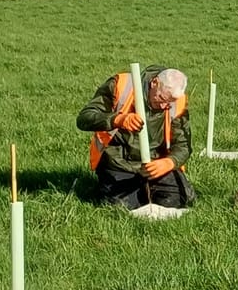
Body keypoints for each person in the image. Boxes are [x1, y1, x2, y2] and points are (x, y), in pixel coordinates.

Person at [79, 66, 196, 217]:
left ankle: (145, 189)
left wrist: (169, 162)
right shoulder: (121, 85)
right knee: (122, 209)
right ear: (154, 83)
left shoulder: (176, 101)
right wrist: (118, 119)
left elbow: (183, 144)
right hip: (118, 162)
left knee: (179, 199)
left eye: (169, 102)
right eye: (161, 98)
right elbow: (85, 118)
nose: (163, 106)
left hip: (155, 164)